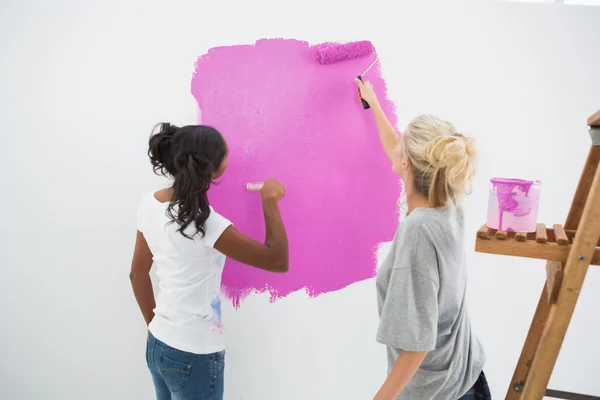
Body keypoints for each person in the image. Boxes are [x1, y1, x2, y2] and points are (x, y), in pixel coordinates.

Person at [129, 123, 289, 400]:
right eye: (226, 154)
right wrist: (270, 200)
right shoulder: (205, 223)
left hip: (158, 344)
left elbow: (136, 274)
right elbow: (277, 259)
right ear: (213, 170)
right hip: (194, 354)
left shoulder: (149, 203)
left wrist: (154, 327)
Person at [356, 79, 490, 400]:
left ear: (408, 163)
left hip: (439, 394)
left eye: (402, 144)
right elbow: (398, 152)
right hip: (467, 378)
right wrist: (373, 103)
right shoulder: (450, 203)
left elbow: (416, 345)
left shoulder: (418, 230)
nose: (397, 145)